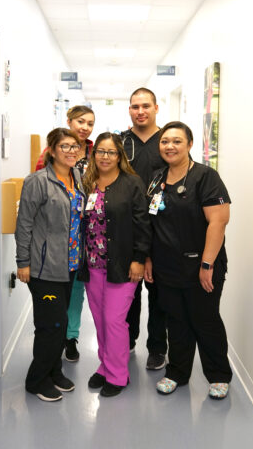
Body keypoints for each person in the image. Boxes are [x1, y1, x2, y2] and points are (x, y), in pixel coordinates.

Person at [144, 121, 233, 400]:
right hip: (166, 266)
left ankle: (218, 375)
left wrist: (207, 265)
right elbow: (151, 222)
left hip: (200, 267)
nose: (170, 146)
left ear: (189, 144)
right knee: (176, 321)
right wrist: (148, 258)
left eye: (177, 141)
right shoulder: (157, 178)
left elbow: (218, 222)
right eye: (164, 141)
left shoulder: (206, 177)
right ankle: (177, 372)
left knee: (204, 320)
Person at [15, 128, 85, 402]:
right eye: (65, 146)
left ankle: (54, 371)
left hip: (70, 265)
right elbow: (25, 223)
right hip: (44, 267)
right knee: (50, 325)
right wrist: (23, 262)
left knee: (62, 321)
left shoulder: (77, 177)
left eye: (75, 146)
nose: (71, 151)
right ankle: (36, 380)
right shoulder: (37, 181)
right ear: (52, 150)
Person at [79, 132, 151, 397]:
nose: (105, 157)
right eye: (100, 151)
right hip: (93, 264)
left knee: (114, 320)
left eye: (111, 152)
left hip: (122, 265)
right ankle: (105, 365)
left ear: (120, 156)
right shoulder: (87, 182)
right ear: (93, 153)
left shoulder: (132, 183)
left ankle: (119, 375)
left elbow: (143, 225)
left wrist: (138, 259)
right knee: (99, 320)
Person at [36, 105, 95, 363]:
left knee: (77, 290)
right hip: (58, 231)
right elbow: (40, 187)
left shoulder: (96, 152)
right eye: (80, 121)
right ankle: (54, 337)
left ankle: (71, 338)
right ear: (69, 121)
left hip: (87, 231)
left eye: (90, 123)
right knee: (55, 291)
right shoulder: (50, 153)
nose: (84, 127)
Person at [121, 87, 167, 371]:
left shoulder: (168, 140)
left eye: (145, 106)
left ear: (156, 108)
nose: (141, 111)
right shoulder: (122, 141)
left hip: (163, 226)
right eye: (135, 106)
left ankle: (157, 348)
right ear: (129, 110)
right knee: (129, 290)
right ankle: (126, 341)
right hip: (129, 226)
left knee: (159, 293)